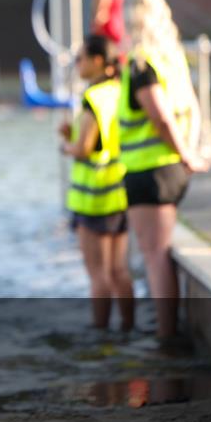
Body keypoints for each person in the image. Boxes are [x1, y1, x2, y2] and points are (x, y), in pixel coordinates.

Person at [118, 0, 209, 341]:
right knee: (159, 251)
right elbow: (191, 108)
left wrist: (186, 153)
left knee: (154, 255)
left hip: (150, 171)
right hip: (169, 169)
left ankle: (166, 337)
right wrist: (191, 151)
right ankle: (166, 329)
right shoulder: (171, 59)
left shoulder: (141, 65)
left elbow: (162, 118)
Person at [58, 35, 133, 331]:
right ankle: (129, 326)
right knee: (119, 271)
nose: (77, 64)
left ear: (98, 61)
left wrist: (67, 146)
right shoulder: (120, 90)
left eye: (80, 58)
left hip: (94, 197)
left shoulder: (93, 98)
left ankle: (100, 333)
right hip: (120, 192)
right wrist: (72, 136)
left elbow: (85, 148)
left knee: (98, 274)